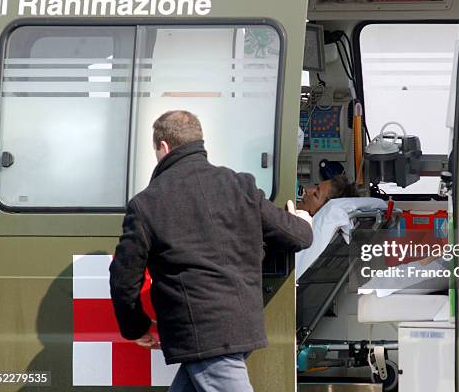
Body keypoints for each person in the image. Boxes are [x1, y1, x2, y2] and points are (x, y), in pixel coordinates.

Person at [109, 110, 313, 392]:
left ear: (163, 147)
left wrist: (136, 326)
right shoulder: (240, 185)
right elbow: (296, 235)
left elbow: (123, 278)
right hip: (241, 325)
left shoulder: (147, 204)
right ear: (199, 141)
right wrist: (303, 221)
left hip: (203, 333)